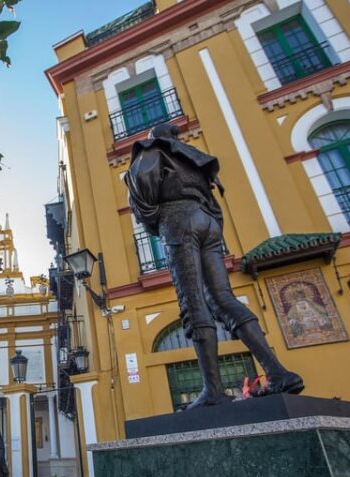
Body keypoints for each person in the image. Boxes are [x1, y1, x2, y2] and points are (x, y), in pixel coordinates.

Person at [125, 123, 303, 408]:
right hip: (208, 222)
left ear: (156, 137)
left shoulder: (151, 150)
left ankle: (213, 390)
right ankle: (278, 373)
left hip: (178, 221)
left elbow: (140, 189)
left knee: (193, 302)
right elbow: (212, 198)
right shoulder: (193, 157)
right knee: (222, 298)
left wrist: (157, 220)